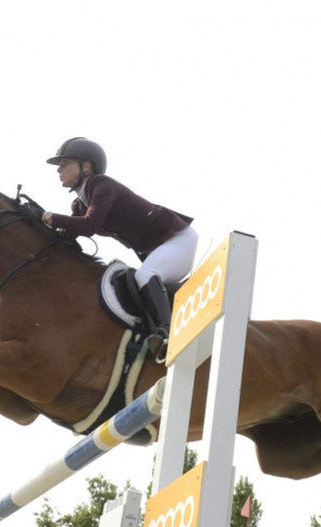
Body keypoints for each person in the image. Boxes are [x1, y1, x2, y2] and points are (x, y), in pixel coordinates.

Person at [25, 137, 198, 362]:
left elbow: (88, 226)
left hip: (179, 241)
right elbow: (69, 236)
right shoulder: (79, 204)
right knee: (139, 278)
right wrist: (34, 223)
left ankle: (167, 335)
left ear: (86, 166)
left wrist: (46, 216)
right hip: (159, 249)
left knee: (144, 275)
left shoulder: (102, 185)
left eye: (65, 162)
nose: (59, 169)